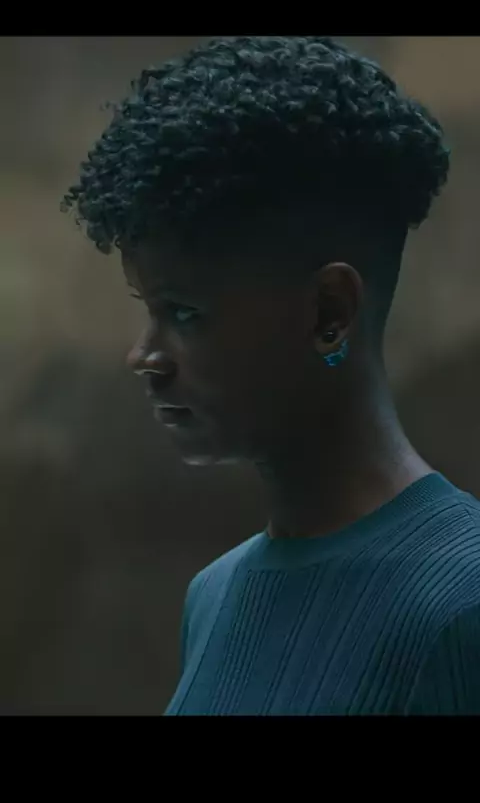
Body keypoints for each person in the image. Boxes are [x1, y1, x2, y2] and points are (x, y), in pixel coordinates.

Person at [62, 36, 480, 715]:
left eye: (185, 312)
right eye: (149, 309)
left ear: (329, 313)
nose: (144, 356)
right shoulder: (215, 596)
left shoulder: (462, 605)